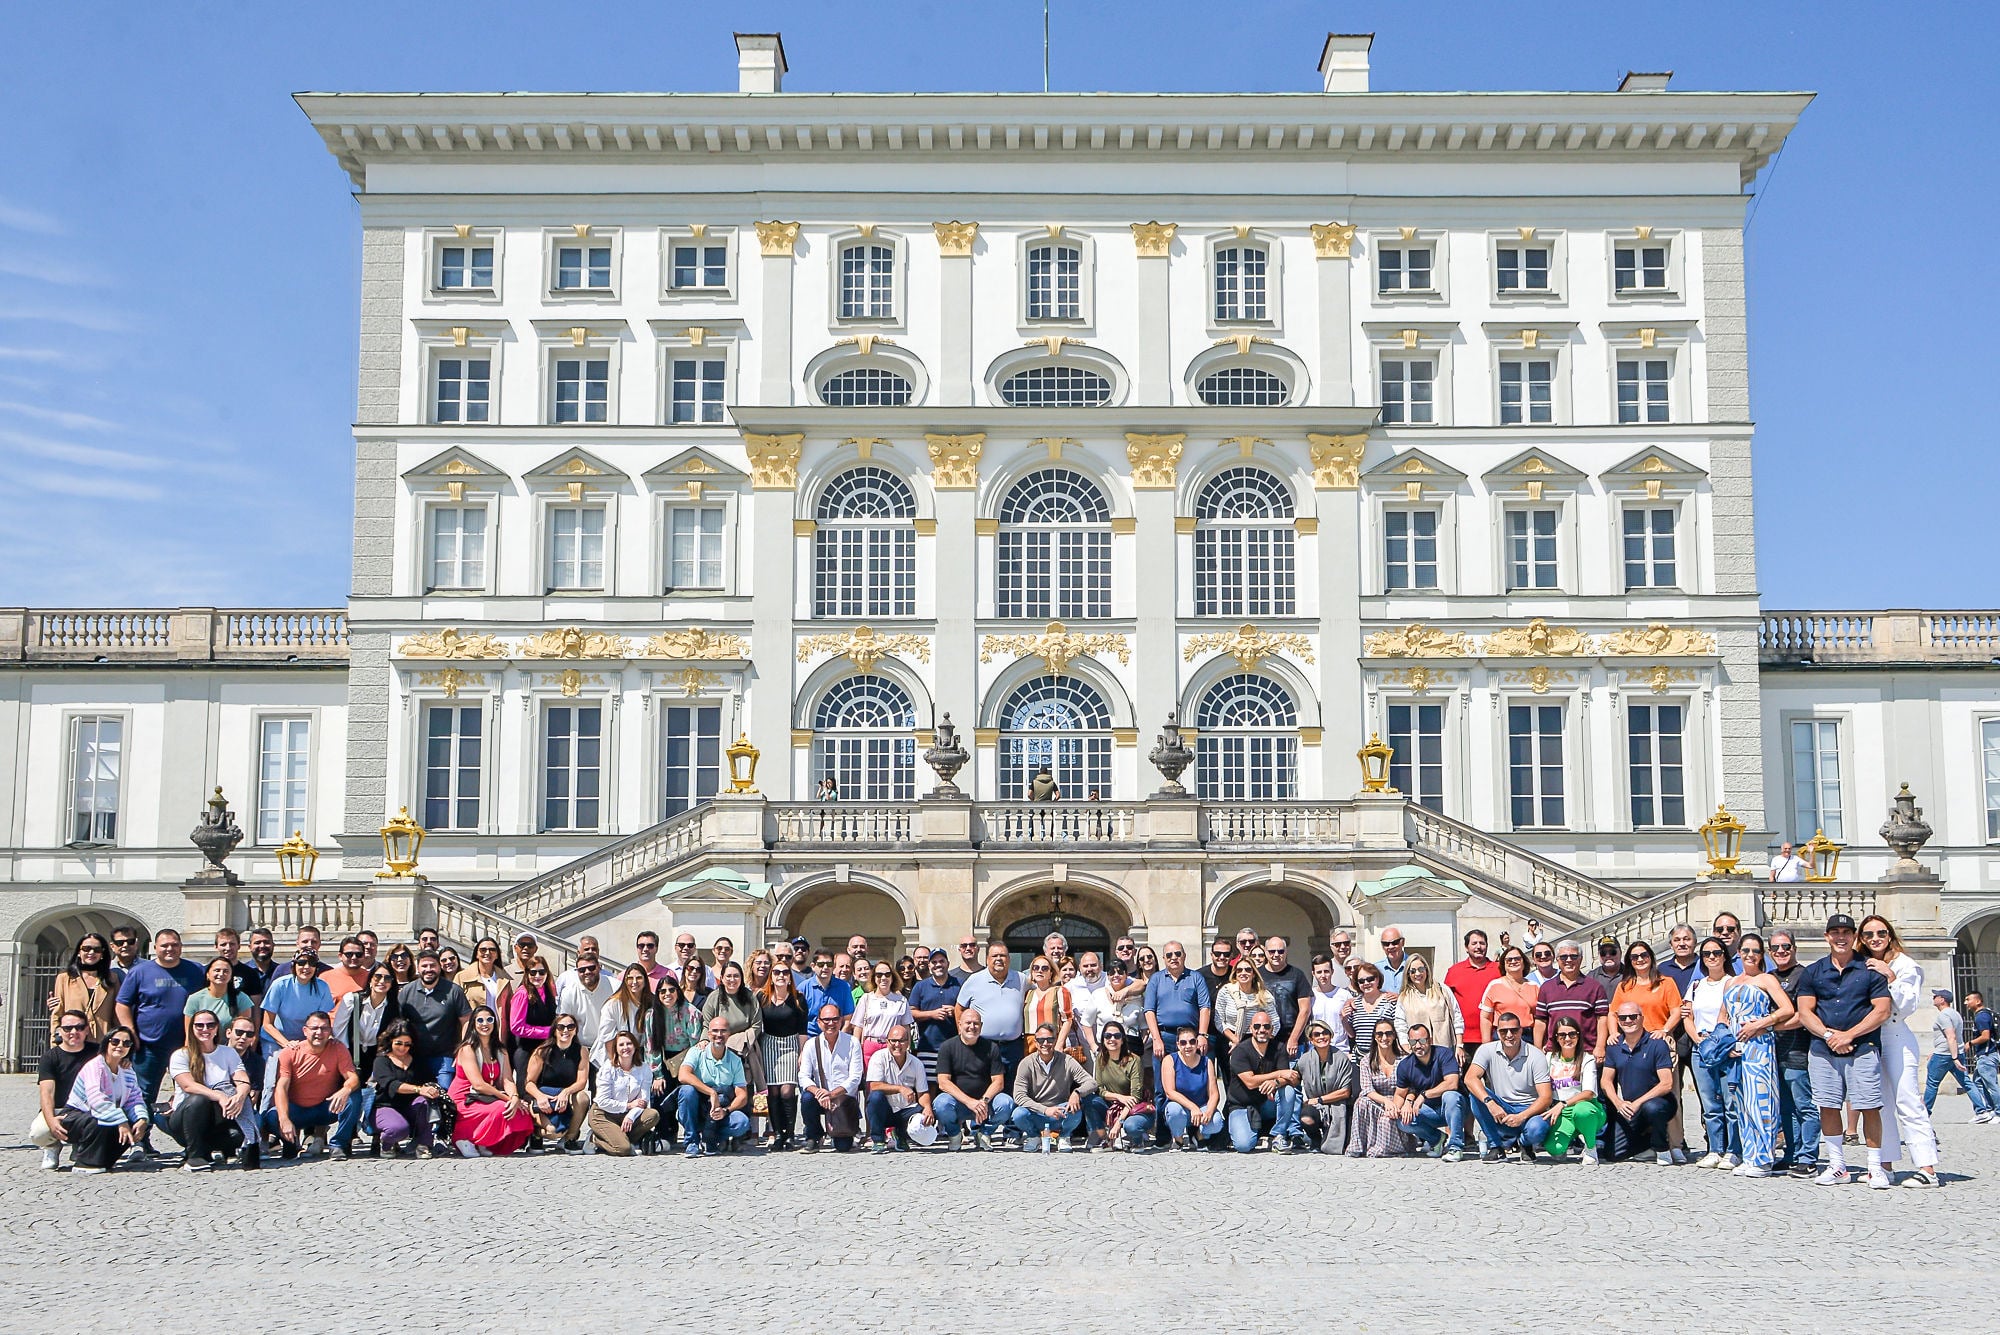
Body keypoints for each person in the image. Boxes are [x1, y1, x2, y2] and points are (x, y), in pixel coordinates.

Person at [1794, 913, 1893, 1187]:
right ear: (1827, 936)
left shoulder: (1871, 969)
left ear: (1854, 937)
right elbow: (1805, 1012)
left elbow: (1882, 1010)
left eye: (1846, 932)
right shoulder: (1813, 971)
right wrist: (1829, 1035)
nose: (1841, 937)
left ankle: (1875, 1167)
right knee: (1827, 1105)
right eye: (1835, 932)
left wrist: (1849, 1035)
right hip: (1823, 1048)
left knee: (1869, 1105)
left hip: (1862, 1046)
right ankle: (1838, 1166)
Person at [1859, 914, 1943, 1188]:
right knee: (1878, 1103)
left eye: (1881, 933)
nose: (1875, 938)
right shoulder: (1860, 963)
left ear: (1890, 935)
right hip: (1871, 1036)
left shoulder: (1907, 965)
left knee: (1908, 1101)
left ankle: (1927, 1168)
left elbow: (1908, 1005)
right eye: (1869, 934)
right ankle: (1885, 1165)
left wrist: (1890, 976)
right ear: (1861, 937)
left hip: (1896, 1034)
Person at [113, 927, 206, 1151]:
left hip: (185, 1047)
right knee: (143, 1094)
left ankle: (190, 1142)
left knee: (189, 1094)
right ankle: (140, 1141)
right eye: (164, 945)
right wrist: (130, 1032)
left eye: (174, 945)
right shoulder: (140, 971)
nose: (169, 949)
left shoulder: (195, 970)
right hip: (148, 1045)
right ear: (155, 948)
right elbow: (122, 1004)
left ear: (181, 947)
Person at [1720, 933, 1796, 1177]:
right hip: (1736, 1047)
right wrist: (1726, 1038)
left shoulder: (1766, 979)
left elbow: (1787, 1009)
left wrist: (1763, 1023)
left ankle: (1764, 1157)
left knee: (1761, 1100)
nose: (1750, 955)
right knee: (1741, 1102)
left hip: (1759, 1044)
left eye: (1755, 951)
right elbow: (1723, 1014)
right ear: (1739, 953)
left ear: (1762, 955)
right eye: (1746, 951)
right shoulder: (1731, 982)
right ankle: (1750, 1153)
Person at [266, 1011, 364, 1160]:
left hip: (325, 1108)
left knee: (353, 1097)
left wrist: (345, 1089)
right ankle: (290, 1142)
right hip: (297, 1110)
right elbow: (281, 1087)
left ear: (330, 1031)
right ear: (305, 1031)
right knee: (272, 1117)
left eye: (324, 1028)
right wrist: (284, 1119)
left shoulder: (338, 1048)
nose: (319, 1033)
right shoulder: (290, 1053)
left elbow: (353, 1078)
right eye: (314, 1028)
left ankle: (338, 1144)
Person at [163, 1010, 254, 1170]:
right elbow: (188, 1086)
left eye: (210, 1025)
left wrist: (240, 1096)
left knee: (238, 1135)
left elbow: (242, 1079)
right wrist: (218, 1096)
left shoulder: (228, 1053)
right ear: (192, 1028)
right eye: (199, 1025)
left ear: (217, 1028)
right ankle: (195, 1157)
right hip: (185, 1118)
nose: (205, 1029)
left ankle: (210, 1151)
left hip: (218, 1116)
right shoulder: (180, 1055)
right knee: (199, 1099)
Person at [1765, 930, 1822, 1174]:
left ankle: (1808, 1158)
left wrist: (1769, 1025)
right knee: (1785, 1108)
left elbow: (1803, 1015)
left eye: (1786, 947)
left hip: (1797, 1050)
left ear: (1794, 948)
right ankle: (1791, 1154)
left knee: (1804, 1106)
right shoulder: (1769, 977)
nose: (1781, 952)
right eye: (1776, 948)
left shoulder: (1804, 975)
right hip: (1774, 1050)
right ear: (1770, 952)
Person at [59, 1025, 150, 1175]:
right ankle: (85, 1162)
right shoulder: (95, 1066)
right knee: (99, 1120)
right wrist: (121, 1121)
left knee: (134, 1123)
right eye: (115, 1042)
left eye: (126, 1043)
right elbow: (96, 1099)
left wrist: (141, 1120)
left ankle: (105, 1160)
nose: (120, 1046)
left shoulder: (127, 1071)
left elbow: (134, 1099)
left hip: (107, 1113)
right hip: (76, 1116)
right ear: (107, 1042)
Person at [1465, 1011, 1554, 1162]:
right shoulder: (1486, 1050)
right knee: (1475, 1093)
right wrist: (1490, 1103)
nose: (1509, 1035)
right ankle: (1496, 1146)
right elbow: (1469, 1078)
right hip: (1501, 1109)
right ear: (1497, 1032)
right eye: (1503, 1031)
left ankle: (1525, 1144)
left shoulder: (1536, 1055)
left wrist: (1521, 1116)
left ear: (1521, 1031)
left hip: (1529, 1110)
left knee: (1536, 1130)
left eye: (1514, 1030)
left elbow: (1546, 1097)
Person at [1683, 934, 1740, 1168]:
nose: (1712, 957)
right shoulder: (1696, 985)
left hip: (1725, 1048)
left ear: (1725, 956)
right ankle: (1715, 1149)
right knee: (1709, 1103)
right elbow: (1687, 1016)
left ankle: (1734, 1150)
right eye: (1707, 954)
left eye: (1717, 953)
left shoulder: (1733, 982)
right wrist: (1698, 1041)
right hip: (1701, 1047)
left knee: (1731, 1102)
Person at [1142, 941, 1210, 1138]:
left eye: (1177, 953)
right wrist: (1156, 1038)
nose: (1174, 958)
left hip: (1190, 1038)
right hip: (1165, 1037)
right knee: (1161, 1088)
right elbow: (1149, 1011)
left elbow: (1204, 1007)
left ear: (1184, 955)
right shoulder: (1156, 979)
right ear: (1163, 958)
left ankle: (1195, 1132)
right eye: (1169, 954)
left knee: (1195, 1085)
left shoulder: (1195, 977)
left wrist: (1202, 1035)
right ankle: (1163, 1136)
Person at [448, 1005, 533, 1157]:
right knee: (503, 1109)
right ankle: (464, 1138)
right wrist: (508, 1099)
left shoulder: (501, 1050)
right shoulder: (467, 1049)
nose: (485, 1024)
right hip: (465, 1099)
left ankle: (484, 1141)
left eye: (489, 1019)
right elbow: (478, 1084)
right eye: (480, 1020)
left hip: (487, 1097)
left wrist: (515, 1098)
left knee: (521, 1113)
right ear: (474, 1023)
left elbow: (507, 1079)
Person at [1601, 1005, 1677, 1164]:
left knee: (1652, 1109)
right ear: (1618, 1021)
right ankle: (1647, 1144)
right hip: (1629, 1106)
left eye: (1633, 1016)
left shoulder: (1657, 1043)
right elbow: (1606, 1081)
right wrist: (1618, 1103)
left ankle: (1661, 1147)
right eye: (1623, 1018)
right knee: (1613, 1154)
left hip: (1659, 1102)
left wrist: (1638, 1103)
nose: (1628, 1021)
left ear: (1642, 1018)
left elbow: (1666, 1084)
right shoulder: (1614, 1046)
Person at [932, 1009, 1015, 1149]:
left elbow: (998, 1082)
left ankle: (984, 1133)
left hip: (985, 1104)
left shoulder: (991, 1048)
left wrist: (983, 1101)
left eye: (976, 1023)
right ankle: (955, 1134)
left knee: (1006, 1103)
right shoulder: (947, 1047)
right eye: (968, 1023)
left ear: (981, 1026)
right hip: (958, 1103)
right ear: (959, 1025)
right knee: (940, 1103)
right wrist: (970, 1102)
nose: (972, 1027)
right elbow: (943, 1082)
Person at [1225, 1012, 1304, 1153]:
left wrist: (1276, 1083)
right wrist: (1278, 1075)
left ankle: (1278, 1136)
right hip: (1241, 1105)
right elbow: (1250, 1082)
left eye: (1266, 1026)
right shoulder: (1240, 1051)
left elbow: (1291, 1078)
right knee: (1244, 1146)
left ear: (1272, 1030)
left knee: (1289, 1091)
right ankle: (1257, 1133)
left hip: (1267, 1104)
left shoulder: (1279, 1048)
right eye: (1257, 1026)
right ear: (1251, 1028)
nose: (1262, 1030)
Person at [259, 952, 334, 1100]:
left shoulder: (323, 987)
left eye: (312, 963)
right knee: (273, 1080)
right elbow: (267, 1024)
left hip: (308, 1040)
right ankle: (266, 1114)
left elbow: (322, 1021)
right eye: (301, 963)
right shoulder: (280, 984)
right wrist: (287, 1044)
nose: (306, 967)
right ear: (294, 965)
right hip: (277, 1040)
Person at [330, 963, 398, 1127]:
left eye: (387, 978)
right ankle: (347, 1135)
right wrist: (346, 1057)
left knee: (377, 1094)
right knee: (351, 1094)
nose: (382, 981)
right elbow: (339, 1030)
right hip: (351, 1051)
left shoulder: (394, 1006)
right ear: (370, 980)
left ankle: (375, 1133)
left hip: (377, 1054)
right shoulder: (352, 999)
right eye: (378, 977)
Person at [1011, 1023, 1096, 1152]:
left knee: (1075, 1109)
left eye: (1050, 1039)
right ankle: (1034, 1137)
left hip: (1060, 1112)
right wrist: (1045, 1110)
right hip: (1037, 1113)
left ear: (1055, 1040)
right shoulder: (1026, 1063)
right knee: (1018, 1114)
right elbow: (1018, 1096)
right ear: (1035, 1041)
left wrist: (1077, 1093)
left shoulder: (1067, 1061)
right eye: (1041, 1040)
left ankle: (1064, 1136)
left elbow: (1092, 1083)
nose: (1045, 1043)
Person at [31, 1009, 98, 1170]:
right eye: (68, 1028)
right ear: (60, 1030)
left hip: (88, 1109)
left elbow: (119, 1054)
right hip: (60, 1109)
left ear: (87, 1030)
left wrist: (124, 1062)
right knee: (38, 1133)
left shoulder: (98, 1052)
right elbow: (46, 1093)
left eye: (80, 1027)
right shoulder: (50, 1057)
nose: (74, 1032)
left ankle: (81, 1146)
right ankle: (52, 1147)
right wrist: (52, 1121)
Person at [679, 1016, 752, 1157]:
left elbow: (742, 1095)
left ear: (729, 1034)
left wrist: (726, 1110)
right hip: (699, 1108)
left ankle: (713, 1139)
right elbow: (683, 1075)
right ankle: (692, 1141)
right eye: (715, 1031)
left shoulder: (735, 1060)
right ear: (708, 1034)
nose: (719, 1035)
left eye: (723, 1031)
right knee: (686, 1091)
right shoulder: (696, 1052)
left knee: (741, 1122)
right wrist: (711, 1093)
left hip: (721, 1109)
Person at [956, 943, 1028, 1085]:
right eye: (995, 956)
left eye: (1003, 955)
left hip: (1013, 1047)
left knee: (1012, 1086)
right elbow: (959, 1008)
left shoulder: (1021, 979)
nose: (999, 959)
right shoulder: (974, 980)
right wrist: (962, 1034)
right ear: (987, 959)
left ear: (1009, 959)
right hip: (983, 1046)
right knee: (983, 1085)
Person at [1394, 1020, 1467, 1161]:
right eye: (1413, 1041)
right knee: (1404, 1121)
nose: (1418, 1045)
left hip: (1456, 1108)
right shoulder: (1405, 1065)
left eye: (1422, 1040)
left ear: (1430, 1040)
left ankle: (1455, 1147)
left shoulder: (1444, 1054)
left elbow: (1452, 1083)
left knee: (1450, 1096)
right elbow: (1399, 1093)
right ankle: (1437, 1139)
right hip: (1430, 1110)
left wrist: (1424, 1095)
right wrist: (1398, 1108)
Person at [798, 1002, 864, 1152]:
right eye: (826, 1020)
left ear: (841, 1021)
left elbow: (855, 1078)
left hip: (843, 1098)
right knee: (806, 1098)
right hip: (820, 1097)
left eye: (835, 1019)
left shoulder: (852, 1043)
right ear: (819, 1022)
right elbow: (803, 1076)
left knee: (843, 1147)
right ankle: (814, 1136)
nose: (831, 1023)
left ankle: (841, 1132)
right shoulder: (810, 1045)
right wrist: (818, 1092)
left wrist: (833, 1094)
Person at [371, 1020, 442, 1157]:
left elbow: (429, 1081)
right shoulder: (381, 1061)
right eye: (398, 1043)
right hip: (386, 1106)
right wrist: (418, 1089)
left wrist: (431, 1090)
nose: (402, 1048)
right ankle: (386, 1144)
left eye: (407, 1044)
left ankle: (424, 1144)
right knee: (397, 1129)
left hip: (411, 1107)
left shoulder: (418, 1061)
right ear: (390, 1041)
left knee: (424, 1102)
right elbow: (392, 1085)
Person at [1540, 1016, 1606, 1165]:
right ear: (1556, 1038)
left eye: (1572, 1034)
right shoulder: (1549, 1058)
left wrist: (1563, 1104)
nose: (1567, 1038)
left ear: (1578, 1036)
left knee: (1582, 1112)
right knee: (1554, 1148)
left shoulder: (1587, 1059)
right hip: (1561, 1113)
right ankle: (1577, 1135)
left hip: (1587, 1108)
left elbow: (1589, 1092)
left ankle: (1590, 1147)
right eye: (1562, 1035)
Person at [522, 1014, 591, 1154]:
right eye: (561, 1027)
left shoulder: (581, 1051)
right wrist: (540, 1097)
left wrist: (565, 1093)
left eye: (570, 1026)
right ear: (554, 1030)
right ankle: (535, 1133)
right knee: (554, 1133)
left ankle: (569, 1139)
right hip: (542, 1098)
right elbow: (529, 1083)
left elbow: (582, 1081)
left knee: (583, 1098)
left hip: (564, 1099)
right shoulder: (542, 1051)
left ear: (576, 1030)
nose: (566, 1030)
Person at [1349, 1020, 1418, 1158]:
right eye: (1380, 1034)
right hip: (1378, 1102)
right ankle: (1358, 1146)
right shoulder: (1366, 1061)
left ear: (1394, 1036)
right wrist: (1386, 1102)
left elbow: (1412, 1087)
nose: (1384, 1038)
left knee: (1387, 1119)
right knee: (1361, 1102)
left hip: (1400, 1103)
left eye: (1388, 1033)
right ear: (1374, 1036)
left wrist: (1402, 1104)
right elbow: (1367, 1089)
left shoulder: (1404, 1059)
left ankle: (1388, 1147)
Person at [758, 962, 808, 1151]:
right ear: (771, 975)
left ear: (789, 976)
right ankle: (778, 1133)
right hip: (769, 1043)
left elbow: (803, 1028)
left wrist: (802, 1052)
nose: (781, 975)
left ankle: (790, 1134)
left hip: (790, 1044)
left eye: (785, 972)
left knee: (787, 1090)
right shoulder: (762, 997)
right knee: (773, 1092)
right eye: (776, 972)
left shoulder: (798, 999)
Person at [1534, 939, 1609, 1061]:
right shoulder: (1546, 988)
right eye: (1564, 957)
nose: (1568, 960)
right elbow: (1541, 1021)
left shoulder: (1595, 987)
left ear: (1580, 959)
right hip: (1555, 1053)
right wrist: (1537, 1050)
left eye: (1573, 956)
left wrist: (1600, 1046)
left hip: (1586, 1053)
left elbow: (1602, 1019)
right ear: (1557, 960)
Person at [864, 1024, 935, 1152]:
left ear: (908, 1043)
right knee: (875, 1097)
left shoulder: (916, 1063)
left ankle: (901, 1136)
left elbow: (923, 1092)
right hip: (884, 1110)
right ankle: (878, 1139)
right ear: (887, 1042)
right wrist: (900, 1088)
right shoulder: (878, 1058)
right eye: (894, 1041)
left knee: (924, 1111)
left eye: (902, 1041)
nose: (897, 1045)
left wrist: (928, 1108)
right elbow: (874, 1085)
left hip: (905, 1110)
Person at [590, 1030, 662, 1156]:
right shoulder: (608, 1068)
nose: (625, 1048)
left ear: (634, 1046)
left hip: (627, 1114)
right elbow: (602, 1101)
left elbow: (642, 1101)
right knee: (623, 1149)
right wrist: (628, 1106)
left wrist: (630, 1116)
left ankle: (620, 1137)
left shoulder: (644, 1069)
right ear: (616, 1049)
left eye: (629, 1044)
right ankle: (595, 1139)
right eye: (621, 1045)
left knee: (653, 1115)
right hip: (604, 1113)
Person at [1084, 1021, 1148, 1151]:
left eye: (1117, 1036)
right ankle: (1102, 1137)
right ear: (1103, 1039)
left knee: (1132, 1126)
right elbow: (1099, 1089)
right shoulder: (1101, 1058)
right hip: (1112, 1104)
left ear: (1123, 1040)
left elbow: (1135, 1096)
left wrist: (1119, 1123)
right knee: (1089, 1099)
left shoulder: (1134, 1060)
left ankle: (1134, 1138)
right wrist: (1119, 1097)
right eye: (1108, 1036)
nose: (1112, 1039)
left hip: (1131, 1108)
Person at [1158, 1027, 1225, 1150]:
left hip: (1201, 1107)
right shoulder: (1170, 1060)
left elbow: (1214, 1093)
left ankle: (1199, 1134)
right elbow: (1170, 1092)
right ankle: (1178, 1139)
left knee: (1217, 1122)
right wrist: (1193, 1107)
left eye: (1192, 1041)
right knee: (1174, 1111)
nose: (1188, 1046)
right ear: (1178, 1045)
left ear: (1197, 1043)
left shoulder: (1206, 1062)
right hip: (1180, 1108)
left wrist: (1209, 1112)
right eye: (1183, 1042)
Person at [46, 933, 117, 1041]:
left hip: (101, 1042)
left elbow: (117, 1014)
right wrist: (55, 1042)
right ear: (79, 952)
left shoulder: (112, 979)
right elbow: (57, 1013)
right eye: (86, 949)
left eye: (97, 950)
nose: (91, 952)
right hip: (72, 1041)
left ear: (102, 954)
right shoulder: (64, 978)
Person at [1297, 1020, 1354, 1154]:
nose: (1321, 1037)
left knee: (1344, 1144)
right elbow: (1294, 1077)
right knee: (1306, 1117)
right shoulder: (1304, 1059)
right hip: (1316, 1107)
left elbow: (1345, 1092)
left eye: (1325, 1033)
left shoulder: (1341, 1058)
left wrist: (1319, 1100)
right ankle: (1315, 1139)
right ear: (1311, 1039)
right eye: (1317, 1035)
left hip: (1338, 1105)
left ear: (1331, 1035)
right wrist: (1276, 1083)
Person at [1443, 930, 1499, 1063]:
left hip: (1494, 1037)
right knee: (1466, 1081)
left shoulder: (1499, 969)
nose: (1478, 947)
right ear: (1466, 947)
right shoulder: (1454, 971)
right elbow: (1445, 1001)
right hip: (1464, 1039)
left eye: (1482, 943)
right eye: (1474, 943)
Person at [909, 949, 962, 1081]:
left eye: (941, 961)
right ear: (929, 965)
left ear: (948, 963)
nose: (938, 964)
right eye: (934, 962)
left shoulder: (960, 984)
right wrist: (932, 1014)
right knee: (929, 1085)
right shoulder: (920, 986)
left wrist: (955, 1011)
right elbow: (911, 1012)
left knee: (953, 1085)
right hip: (928, 1047)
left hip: (955, 1046)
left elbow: (970, 1011)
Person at [1393, 953, 1463, 1053]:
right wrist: (1407, 1049)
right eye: (1412, 971)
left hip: (1445, 1049)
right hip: (1419, 1053)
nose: (1417, 974)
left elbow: (1457, 1017)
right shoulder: (1404, 998)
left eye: (1421, 969)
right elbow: (1400, 1025)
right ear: (1407, 974)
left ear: (1426, 969)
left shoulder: (1442, 990)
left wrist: (1459, 1046)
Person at [1257, 936, 1312, 1058]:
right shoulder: (1257, 975)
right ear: (1265, 952)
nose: (1276, 954)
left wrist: (1293, 1039)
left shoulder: (1297, 975)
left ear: (1286, 952)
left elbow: (1305, 1010)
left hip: (1292, 1041)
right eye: (1272, 951)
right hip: (1264, 1040)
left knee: (1293, 1076)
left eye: (1280, 951)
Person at [508, 957, 559, 1086]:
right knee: (526, 1092)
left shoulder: (549, 991)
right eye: (533, 972)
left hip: (547, 1050)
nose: (538, 976)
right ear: (527, 973)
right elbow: (516, 1027)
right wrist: (547, 1032)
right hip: (527, 1050)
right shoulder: (522, 993)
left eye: (542, 972)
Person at [853, 959, 915, 1062]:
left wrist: (907, 1048)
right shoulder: (866, 999)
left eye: (887, 974)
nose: (883, 978)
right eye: (879, 975)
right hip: (870, 1047)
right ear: (874, 978)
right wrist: (855, 1049)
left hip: (893, 1047)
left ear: (892, 977)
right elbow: (858, 1027)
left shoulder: (901, 1000)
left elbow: (906, 1027)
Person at [555, 954, 616, 1055]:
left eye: (591, 968)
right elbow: (564, 1022)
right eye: (582, 970)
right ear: (577, 972)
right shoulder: (568, 992)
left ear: (599, 967)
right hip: (580, 1048)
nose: (587, 972)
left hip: (609, 1048)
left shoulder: (615, 987)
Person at [456, 937, 513, 1042]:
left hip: (497, 1035)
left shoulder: (504, 979)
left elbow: (509, 1010)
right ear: (477, 954)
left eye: (492, 950)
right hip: (472, 1035)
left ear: (497, 955)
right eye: (483, 950)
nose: (487, 953)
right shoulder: (462, 977)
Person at [1215, 959, 1277, 1051]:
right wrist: (1235, 1039)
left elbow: (1275, 1022)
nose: (1243, 973)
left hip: (1256, 1042)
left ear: (1254, 974)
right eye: (1239, 970)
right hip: (1229, 1041)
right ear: (1235, 973)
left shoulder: (1264, 996)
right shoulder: (1225, 992)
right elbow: (1219, 1020)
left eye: (1248, 970)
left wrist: (1263, 1042)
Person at [1344, 962, 1398, 1067]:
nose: (1366, 983)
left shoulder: (1390, 1001)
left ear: (1378, 979)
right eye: (1361, 981)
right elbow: (1352, 1034)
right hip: (1359, 1060)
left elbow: (1398, 1031)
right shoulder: (1354, 1004)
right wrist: (1343, 1019)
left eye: (1370, 979)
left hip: (1386, 1060)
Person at [184, 956, 254, 1028]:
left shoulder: (241, 998)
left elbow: (245, 1031)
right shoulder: (195, 999)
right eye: (217, 970)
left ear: (231, 976)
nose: (221, 974)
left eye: (226, 971)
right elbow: (189, 1034)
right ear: (208, 974)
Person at [1305, 953, 1354, 1046]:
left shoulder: (1345, 995)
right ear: (1313, 973)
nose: (1323, 975)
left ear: (1332, 971)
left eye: (1326, 971)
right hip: (1316, 1047)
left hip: (1340, 1048)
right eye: (1319, 972)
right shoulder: (1310, 996)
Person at [1966, 990, 2000, 1123]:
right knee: (1978, 1082)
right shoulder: (1985, 1015)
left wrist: (1970, 1043)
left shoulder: (1981, 1017)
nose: (1966, 1003)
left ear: (1978, 1001)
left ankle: (1998, 1111)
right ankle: (1991, 1109)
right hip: (1985, 1055)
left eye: (1968, 999)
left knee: (1991, 1085)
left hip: (1987, 1055)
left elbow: (1985, 1036)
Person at [322, 937, 369, 1003]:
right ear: (340, 956)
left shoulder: (372, 977)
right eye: (349, 954)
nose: (354, 957)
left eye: (358, 954)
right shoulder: (325, 978)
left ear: (364, 956)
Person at [1373, 927, 1409, 993]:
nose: (1390, 947)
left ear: (1403, 942)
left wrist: (1401, 998)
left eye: (1395, 942)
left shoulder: (1414, 965)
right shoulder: (1376, 969)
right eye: (1386, 944)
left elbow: (1423, 993)